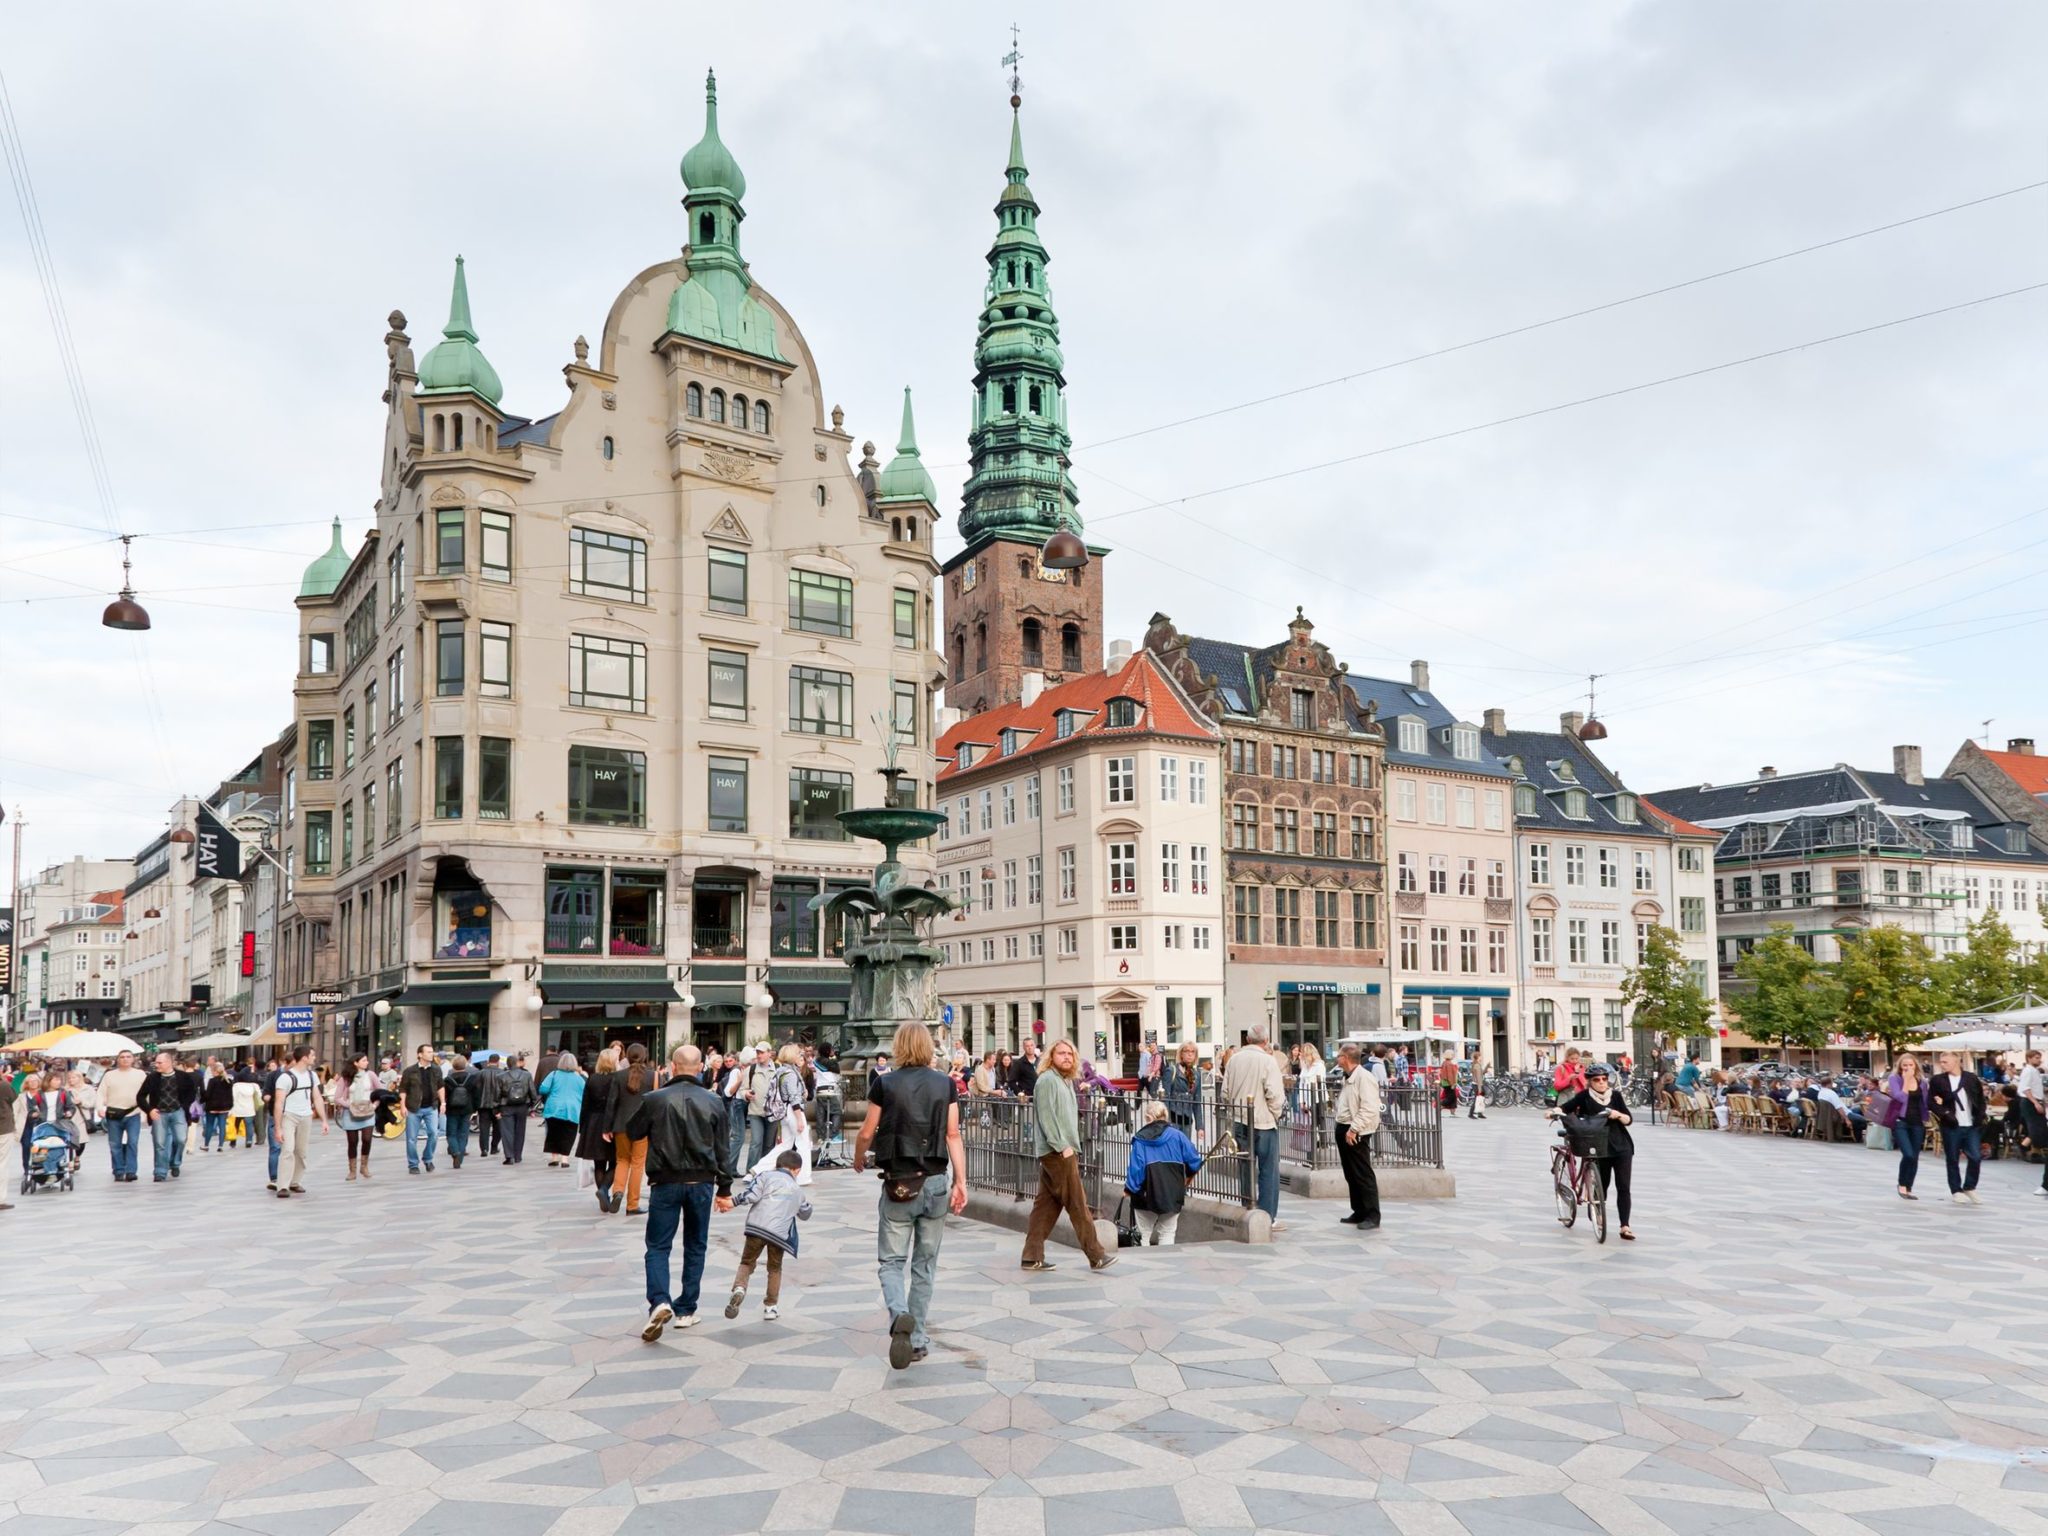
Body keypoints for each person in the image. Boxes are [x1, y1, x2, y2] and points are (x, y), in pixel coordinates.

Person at [855, 1020, 967, 1369]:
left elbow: (867, 1130)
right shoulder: (945, 1083)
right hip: (934, 1181)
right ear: (929, 1047)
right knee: (925, 1265)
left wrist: (859, 1157)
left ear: (900, 1046)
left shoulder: (885, 1083)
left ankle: (898, 1315)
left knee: (891, 1261)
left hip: (899, 1182)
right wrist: (961, 1181)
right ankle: (916, 1339)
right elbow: (952, 1134)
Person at [630, 1044, 738, 1341]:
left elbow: (633, 1130)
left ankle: (660, 1300)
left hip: (664, 1180)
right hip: (701, 1182)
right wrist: (725, 1187)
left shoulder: (655, 1099)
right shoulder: (714, 1101)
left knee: (658, 1246)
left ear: (672, 1067)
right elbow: (723, 1149)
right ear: (701, 1066)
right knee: (695, 1244)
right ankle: (686, 1308)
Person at [1018, 1038, 1114, 1273]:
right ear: (1051, 1056)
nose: (1067, 1057)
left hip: (1063, 1149)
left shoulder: (1065, 1080)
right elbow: (1047, 1116)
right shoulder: (1048, 1080)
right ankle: (1096, 1254)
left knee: (1046, 1206)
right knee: (1077, 1203)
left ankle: (1031, 1256)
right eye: (1061, 1053)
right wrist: (1062, 1146)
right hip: (1057, 1151)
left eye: (1070, 1054)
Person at [724, 1148, 813, 1322]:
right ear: (797, 1170)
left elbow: (752, 1195)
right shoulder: (797, 1189)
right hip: (779, 1236)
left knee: (747, 1262)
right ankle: (771, 1307)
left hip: (757, 1228)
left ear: (777, 1165)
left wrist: (732, 1202)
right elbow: (806, 1213)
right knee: (774, 1268)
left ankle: (740, 1288)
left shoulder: (765, 1176)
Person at [1555, 1062, 1635, 1240]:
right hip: (1599, 1146)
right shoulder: (1584, 1096)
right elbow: (1566, 1107)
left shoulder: (1615, 1096)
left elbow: (1629, 1119)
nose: (1601, 1083)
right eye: (1597, 1080)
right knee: (1602, 1184)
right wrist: (1554, 1110)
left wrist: (1618, 1115)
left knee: (1624, 1187)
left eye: (1604, 1079)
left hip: (1621, 1145)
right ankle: (1597, 1214)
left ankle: (1625, 1226)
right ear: (1590, 1082)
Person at [1222, 1027, 1288, 1230]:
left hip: (1241, 1121)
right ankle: (1267, 1216)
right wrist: (1275, 1114)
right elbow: (1275, 1094)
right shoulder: (1268, 1061)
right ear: (1266, 1040)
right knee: (1268, 1170)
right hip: (1264, 1122)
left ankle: (1248, 1208)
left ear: (1247, 1039)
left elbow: (1225, 1092)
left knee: (1246, 1168)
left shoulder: (1234, 1059)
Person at [1124, 1099, 1203, 1245]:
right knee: (1167, 1232)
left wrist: (1129, 1189)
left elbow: (1137, 1169)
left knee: (1143, 1234)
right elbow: (1195, 1161)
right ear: (1165, 1116)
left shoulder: (1140, 1139)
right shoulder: (1178, 1136)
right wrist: (1188, 1177)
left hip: (1145, 1194)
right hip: (1172, 1193)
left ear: (1148, 1118)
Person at [1332, 1043, 1383, 1230]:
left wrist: (1354, 1129)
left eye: (1339, 1055)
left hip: (1355, 1130)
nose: (1337, 1058)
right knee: (1351, 1173)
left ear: (1346, 1057)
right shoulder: (1349, 1077)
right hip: (1344, 1127)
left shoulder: (1364, 1078)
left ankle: (1372, 1214)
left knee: (1362, 1172)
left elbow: (1369, 1107)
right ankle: (1359, 1210)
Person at [1928, 1050, 1987, 1205]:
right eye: (1941, 1062)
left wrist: (1980, 1115)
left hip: (1971, 1124)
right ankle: (1956, 1190)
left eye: (1945, 1062)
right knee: (1952, 1158)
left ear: (1956, 1061)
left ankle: (1970, 1186)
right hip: (1951, 1125)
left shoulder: (1971, 1078)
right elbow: (1931, 1102)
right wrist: (1945, 1113)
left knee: (1975, 1156)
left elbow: (1980, 1099)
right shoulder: (1938, 1080)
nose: (1942, 1065)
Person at [751, 1043, 813, 1185]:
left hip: (785, 1112)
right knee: (803, 1144)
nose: (800, 1056)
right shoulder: (791, 1073)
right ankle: (803, 1176)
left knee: (785, 1144)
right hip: (793, 1110)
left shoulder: (781, 1071)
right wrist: (799, 1119)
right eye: (798, 1054)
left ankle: (758, 1169)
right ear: (792, 1056)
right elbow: (793, 1097)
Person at [272, 1046, 329, 1197]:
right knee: (288, 1150)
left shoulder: (312, 1076)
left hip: (306, 1116)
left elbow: (317, 1097)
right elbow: (279, 1103)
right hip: (289, 1116)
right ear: (304, 1057)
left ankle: (295, 1181)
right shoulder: (285, 1078)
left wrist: (324, 1120)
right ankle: (282, 1186)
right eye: (312, 1055)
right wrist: (278, 1128)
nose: (314, 1058)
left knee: (302, 1151)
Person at [141, 1050, 199, 1183]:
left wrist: (184, 1106)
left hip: (178, 1111)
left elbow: (191, 1092)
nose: (156, 1065)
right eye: (156, 1062)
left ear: (169, 1063)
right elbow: (141, 1096)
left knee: (180, 1139)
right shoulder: (152, 1078)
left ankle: (175, 1162)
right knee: (160, 1143)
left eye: (159, 1062)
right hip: (159, 1113)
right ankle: (160, 1171)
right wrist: (149, 1110)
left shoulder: (183, 1077)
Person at [612, 1044, 655, 1213]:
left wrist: (607, 1127)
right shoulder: (653, 1076)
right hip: (642, 1126)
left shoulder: (618, 1076)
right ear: (645, 1056)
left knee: (622, 1160)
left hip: (620, 1124)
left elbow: (611, 1103)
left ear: (627, 1056)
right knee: (638, 1164)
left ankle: (617, 1191)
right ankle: (632, 1204)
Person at [578, 1048, 622, 1212]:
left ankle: (603, 1193)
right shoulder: (618, 1079)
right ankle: (604, 1189)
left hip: (594, 1122)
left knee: (599, 1162)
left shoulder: (592, 1079)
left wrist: (582, 1127)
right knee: (616, 1161)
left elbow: (585, 1105)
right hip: (612, 1122)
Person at [399, 1045, 446, 1175]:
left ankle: (428, 1158)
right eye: (429, 1052)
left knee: (433, 1133)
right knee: (411, 1138)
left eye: (432, 1052)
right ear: (420, 1054)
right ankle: (413, 1164)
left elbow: (440, 1086)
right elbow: (403, 1089)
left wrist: (443, 1103)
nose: (432, 1054)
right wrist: (402, 1105)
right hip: (413, 1108)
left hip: (431, 1107)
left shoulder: (436, 1069)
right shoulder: (410, 1071)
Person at [332, 1056, 377, 1180]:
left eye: (367, 1060)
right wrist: (349, 1105)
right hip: (350, 1113)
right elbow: (337, 1097)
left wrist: (374, 1105)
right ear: (355, 1063)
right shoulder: (346, 1078)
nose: (367, 1062)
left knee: (367, 1139)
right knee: (352, 1142)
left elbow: (379, 1091)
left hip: (367, 1111)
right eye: (363, 1060)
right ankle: (352, 1170)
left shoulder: (371, 1075)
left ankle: (364, 1166)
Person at [538, 1050, 586, 1167]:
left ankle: (554, 1158)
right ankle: (565, 1159)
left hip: (554, 1108)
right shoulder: (579, 1078)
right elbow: (585, 1093)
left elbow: (543, 1089)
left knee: (553, 1134)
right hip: (573, 1109)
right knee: (568, 1134)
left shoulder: (554, 1074)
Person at [2017, 1048, 2047, 1198]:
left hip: (2034, 1102)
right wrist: (2035, 1102)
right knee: (2037, 1130)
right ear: (2029, 1058)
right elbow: (2025, 1089)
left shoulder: (2033, 1071)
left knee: (2038, 1130)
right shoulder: (2028, 1071)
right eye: (2036, 1057)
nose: (2039, 1060)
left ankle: (2032, 1149)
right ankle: (2034, 1149)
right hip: (2031, 1103)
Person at [740, 1045, 776, 1169]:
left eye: (761, 1052)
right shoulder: (750, 1070)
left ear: (769, 1053)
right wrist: (746, 1094)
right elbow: (742, 1089)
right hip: (755, 1111)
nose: (759, 1055)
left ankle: (766, 1169)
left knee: (769, 1144)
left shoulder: (778, 1068)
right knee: (756, 1142)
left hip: (773, 1112)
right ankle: (751, 1171)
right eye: (757, 1053)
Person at [498, 1052, 536, 1164]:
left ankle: (509, 1155)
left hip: (506, 1106)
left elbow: (497, 1093)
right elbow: (532, 1091)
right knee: (520, 1131)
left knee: (507, 1131)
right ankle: (518, 1155)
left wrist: (496, 1108)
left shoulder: (501, 1076)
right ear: (517, 1063)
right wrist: (532, 1105)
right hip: (522, 1105)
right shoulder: (527, 1075)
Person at [442, 1054, 478, 1168]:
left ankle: (455, 1151)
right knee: (463, 1134)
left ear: (453, 1065)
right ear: (465, 1064)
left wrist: (442, 1106)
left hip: (452, 1110)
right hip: (467, 1109)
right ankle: (460, 1157)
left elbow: (444, 1095)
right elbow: (476, 1095)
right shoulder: (472, 1078)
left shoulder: (447, 1080)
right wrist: (475, 1108)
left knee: (451, 1134)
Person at [1160, 1042, 1204, 1136]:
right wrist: (1166, 1122)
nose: (1190, 1054)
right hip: (1173, 1119)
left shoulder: (1196, 1075)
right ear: (1181, 1054)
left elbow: (1197, 1101)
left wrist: (1200, 1127)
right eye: (1186, 1051)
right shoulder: (1171, 1071)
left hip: (1187, 1120)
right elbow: (1165, 1099)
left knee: (1185, 1147)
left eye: (1193, 1052)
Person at [474, 1054, 506, 1158]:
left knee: (484, 1127)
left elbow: (476, 1089)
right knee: (499, 1127)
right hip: (498, 1105)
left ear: (488, 1061)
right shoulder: (503, 1073)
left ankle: (484, 1148)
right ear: (498, 1061)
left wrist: (476, 1104)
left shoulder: (480, 1073)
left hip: (483, 1105)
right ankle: (494, 1147)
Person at [200, 1060, 234, 1152]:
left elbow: (208, 1095)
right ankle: (220, 1146)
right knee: (222, 1125)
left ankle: (206, 1145)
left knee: (209, 1125)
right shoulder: (229, 1081)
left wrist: (202, 1098)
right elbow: (230, 1094)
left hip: (212, 1107)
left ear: (215, 1071)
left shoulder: (212, 1081)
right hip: (224, 1107)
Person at [230, 1063, 264, 1150]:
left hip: (238, 1109)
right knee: (249, 1125)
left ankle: (233, 1140)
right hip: (249, 1108)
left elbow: (233, 1097)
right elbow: (259, 1096)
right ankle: (249, 1140)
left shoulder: (236, 1086)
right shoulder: (254, 1086)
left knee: (236, 1125)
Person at [1465, 1048, 1488, 1120]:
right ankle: (1471, 1113)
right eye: (1480, 1056)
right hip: (1477, 1084)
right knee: (1477, 1099)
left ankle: (1479, 1113)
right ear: (1477, 1057)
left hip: (1476, 1084)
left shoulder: (1476, 1064)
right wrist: (1480, 1088)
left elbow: (1481, 1074)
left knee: (1480, 1099)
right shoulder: (1477, 1065)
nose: (1481, 1057)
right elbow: (1478, 1077)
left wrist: (1486, 1068)